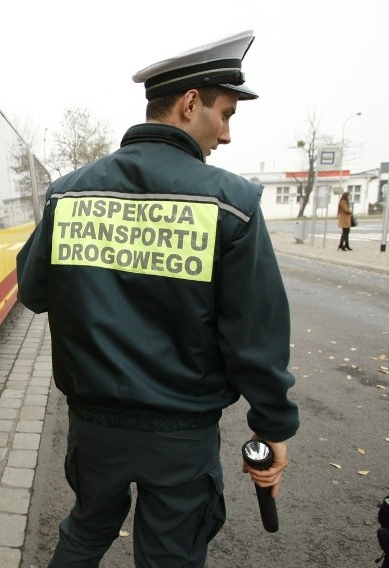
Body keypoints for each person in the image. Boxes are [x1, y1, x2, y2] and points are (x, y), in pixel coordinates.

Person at [16, 30, 299, 567]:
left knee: (86, 529)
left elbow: (32, 292)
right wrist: (272, 427)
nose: (228, 134)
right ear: (191, 104)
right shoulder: (232, 204)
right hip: (179, 433)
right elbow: (255, 336)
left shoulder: (69, 192)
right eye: (226, 113)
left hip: (92, 423)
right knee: (172, 553)